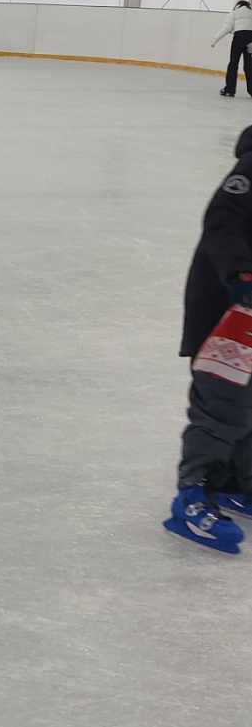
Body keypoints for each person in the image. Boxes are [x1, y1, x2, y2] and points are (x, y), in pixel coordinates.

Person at [165, 125, 252, 550]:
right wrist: (241, 274)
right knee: (222, 406)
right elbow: (222, 221)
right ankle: (192, 495)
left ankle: (238, 484)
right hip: (227, 311)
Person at [213, 0, 252, 98]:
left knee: (233, 64)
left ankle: (230, 90)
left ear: (237, 5)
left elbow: (226, 28)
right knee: (249, 65)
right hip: (250, 39)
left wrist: (215, 40)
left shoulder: (234, 13)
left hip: (238, 38)